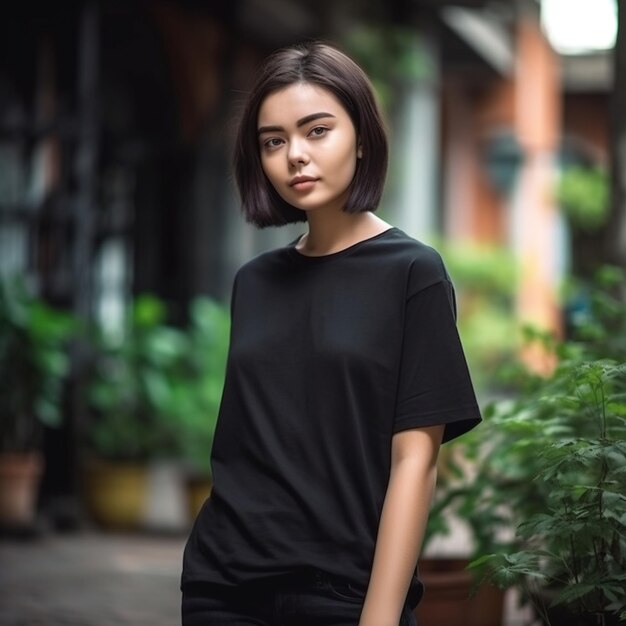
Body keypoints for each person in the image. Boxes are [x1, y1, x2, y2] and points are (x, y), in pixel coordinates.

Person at [181, 41, 481, 626]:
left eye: (317, 131)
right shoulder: (254, 282)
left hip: (342, 596)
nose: (295, 155)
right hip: (224, 587)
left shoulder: (413, 273)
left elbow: (414, 465)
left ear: (362, 136)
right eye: (273, 140)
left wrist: (379, 617)